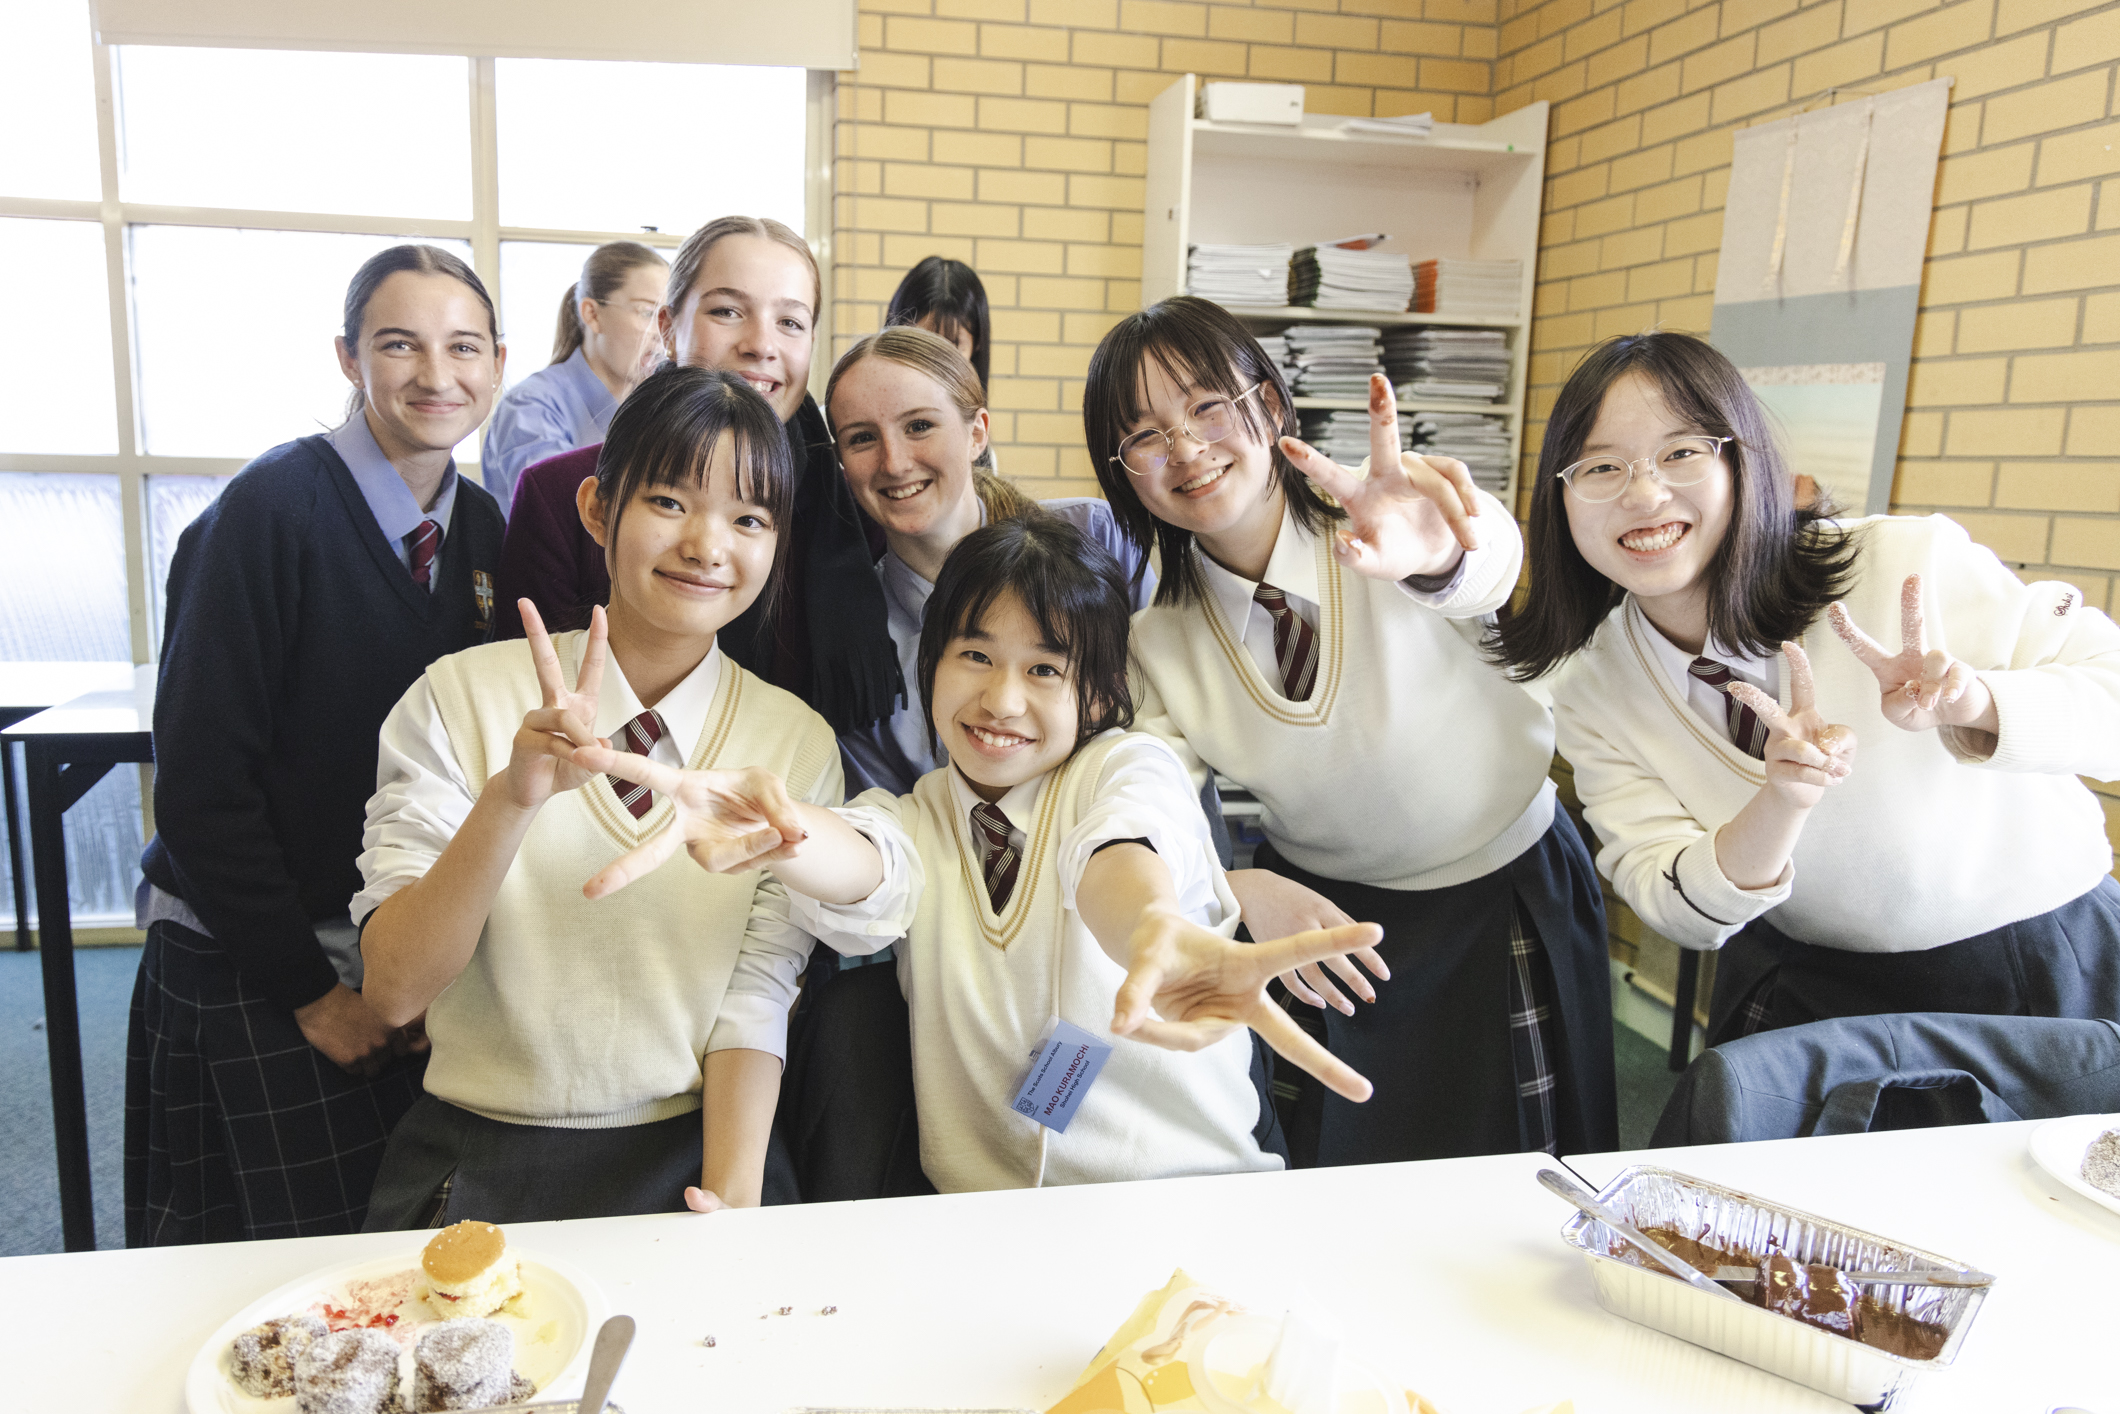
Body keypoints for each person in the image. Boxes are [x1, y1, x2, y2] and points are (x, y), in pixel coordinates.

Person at [577, 517, 1382, 1192]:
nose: (1001, 699)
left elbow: (1117, 851)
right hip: (980, 1226)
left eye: (1045, 669)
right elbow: (868, 866)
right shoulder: (913, 815)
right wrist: (784, 830)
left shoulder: (1127, 767)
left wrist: (1150, 931)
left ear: (1101, 695)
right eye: (975, 656)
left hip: (1185, 1198)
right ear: (930, 664)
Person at [1083, 296, 1618, 1167]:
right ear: (1124, 473)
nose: (1185, 447)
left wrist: (1437, 554)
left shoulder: (1385, 518)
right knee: (1346, 1177)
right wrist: (1231, 884)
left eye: (1208, 406)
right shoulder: (1157, 641)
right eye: (1144, 435)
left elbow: (1491, 565)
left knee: (1528, 1175)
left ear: (1269, 405)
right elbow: (1152, 802)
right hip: (1327, 926)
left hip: (1505, 892)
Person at [1490, 331, 2120, 1043]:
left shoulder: (1905, 563)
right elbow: (1672, 902)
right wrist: (1783, 799)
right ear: (1561, 498)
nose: (1644, 493)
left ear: (1743, 462)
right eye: (1601, 466)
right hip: (1805, 976)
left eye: (1682, 452)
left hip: (2035, 961)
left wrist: (1973, 705)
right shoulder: (1593, 681)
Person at [354, 365, 837, 1225]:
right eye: (670, 502)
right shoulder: (458, 696)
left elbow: (756, 996)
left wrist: (729, 1203)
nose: (708, 545)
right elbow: (393, 993)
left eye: (749, 518)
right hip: (481, 1152)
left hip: (695, 1150)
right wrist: (511, 800)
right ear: (597, 510)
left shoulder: (792, 742)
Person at [128, 245, 507, 1245]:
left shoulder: (479, 528)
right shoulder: (268, 512)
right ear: (348, 357)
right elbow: (201, 788)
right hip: (254, 950)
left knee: (387, 1244)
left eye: (463, 346)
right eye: (399, 344)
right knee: (268, 1266)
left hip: (382, 952)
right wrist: (312, 996)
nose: (436, 374)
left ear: (498, 363)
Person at [493, 217, 898, 740]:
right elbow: (514, 705)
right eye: (727, 311)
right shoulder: (559, 493)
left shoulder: (852, 517)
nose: (761, 344)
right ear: (667, 327)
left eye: (790, 322)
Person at [825, 326, 1153, 796]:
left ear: (977, 433)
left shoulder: (1097, 536)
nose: (894, 463)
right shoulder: (855, 645)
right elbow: (887, 820)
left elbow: (1169, 727)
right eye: (862, 438)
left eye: (919, 426)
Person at [479, 242, 667, 513]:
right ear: (592, 314)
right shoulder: (531, 406)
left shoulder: (652, 408)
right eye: (647, 313)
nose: (661, 333)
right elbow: (568, 514)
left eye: (667, 317)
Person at [887, 256, 998, 470]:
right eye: (921, 340)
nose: (934, 359)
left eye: (952, 344)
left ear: (976, 345)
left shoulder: (980, 452)